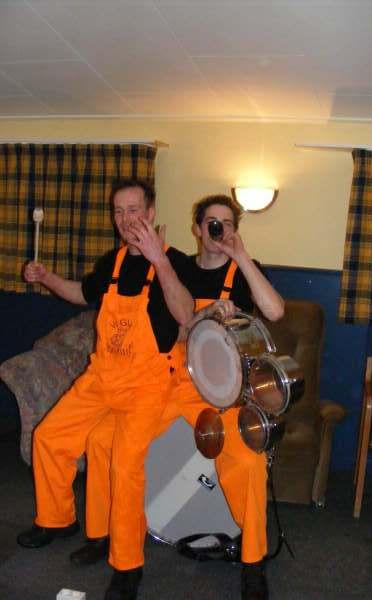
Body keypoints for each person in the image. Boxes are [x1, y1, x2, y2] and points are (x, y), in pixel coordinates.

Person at [69, 194, 284, 599]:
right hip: (169, 381)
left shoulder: (242, 272)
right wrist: (206, 314)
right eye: (211, 223)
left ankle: (253, 562)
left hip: (219, 392)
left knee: (248, 461)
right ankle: (109, 542)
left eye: (226, 224)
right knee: (102, 440)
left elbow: (274, 311)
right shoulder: (179, 267)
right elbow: (176, 330)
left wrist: (241, 255)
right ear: (197, 228)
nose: (217, 230)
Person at [16, 179, 196, 598]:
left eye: (133, 210)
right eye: (118, 211)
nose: (126, 219)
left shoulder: (175, 261)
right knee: (49, 436)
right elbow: (82, 294)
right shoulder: (111, 263)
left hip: (148, 383)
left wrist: (159, 260)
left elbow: (185, 314)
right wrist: (47, 277)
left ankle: (128, 564)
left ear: (150, 213)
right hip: (102, 377)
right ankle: (58, 519)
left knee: (125, 465)